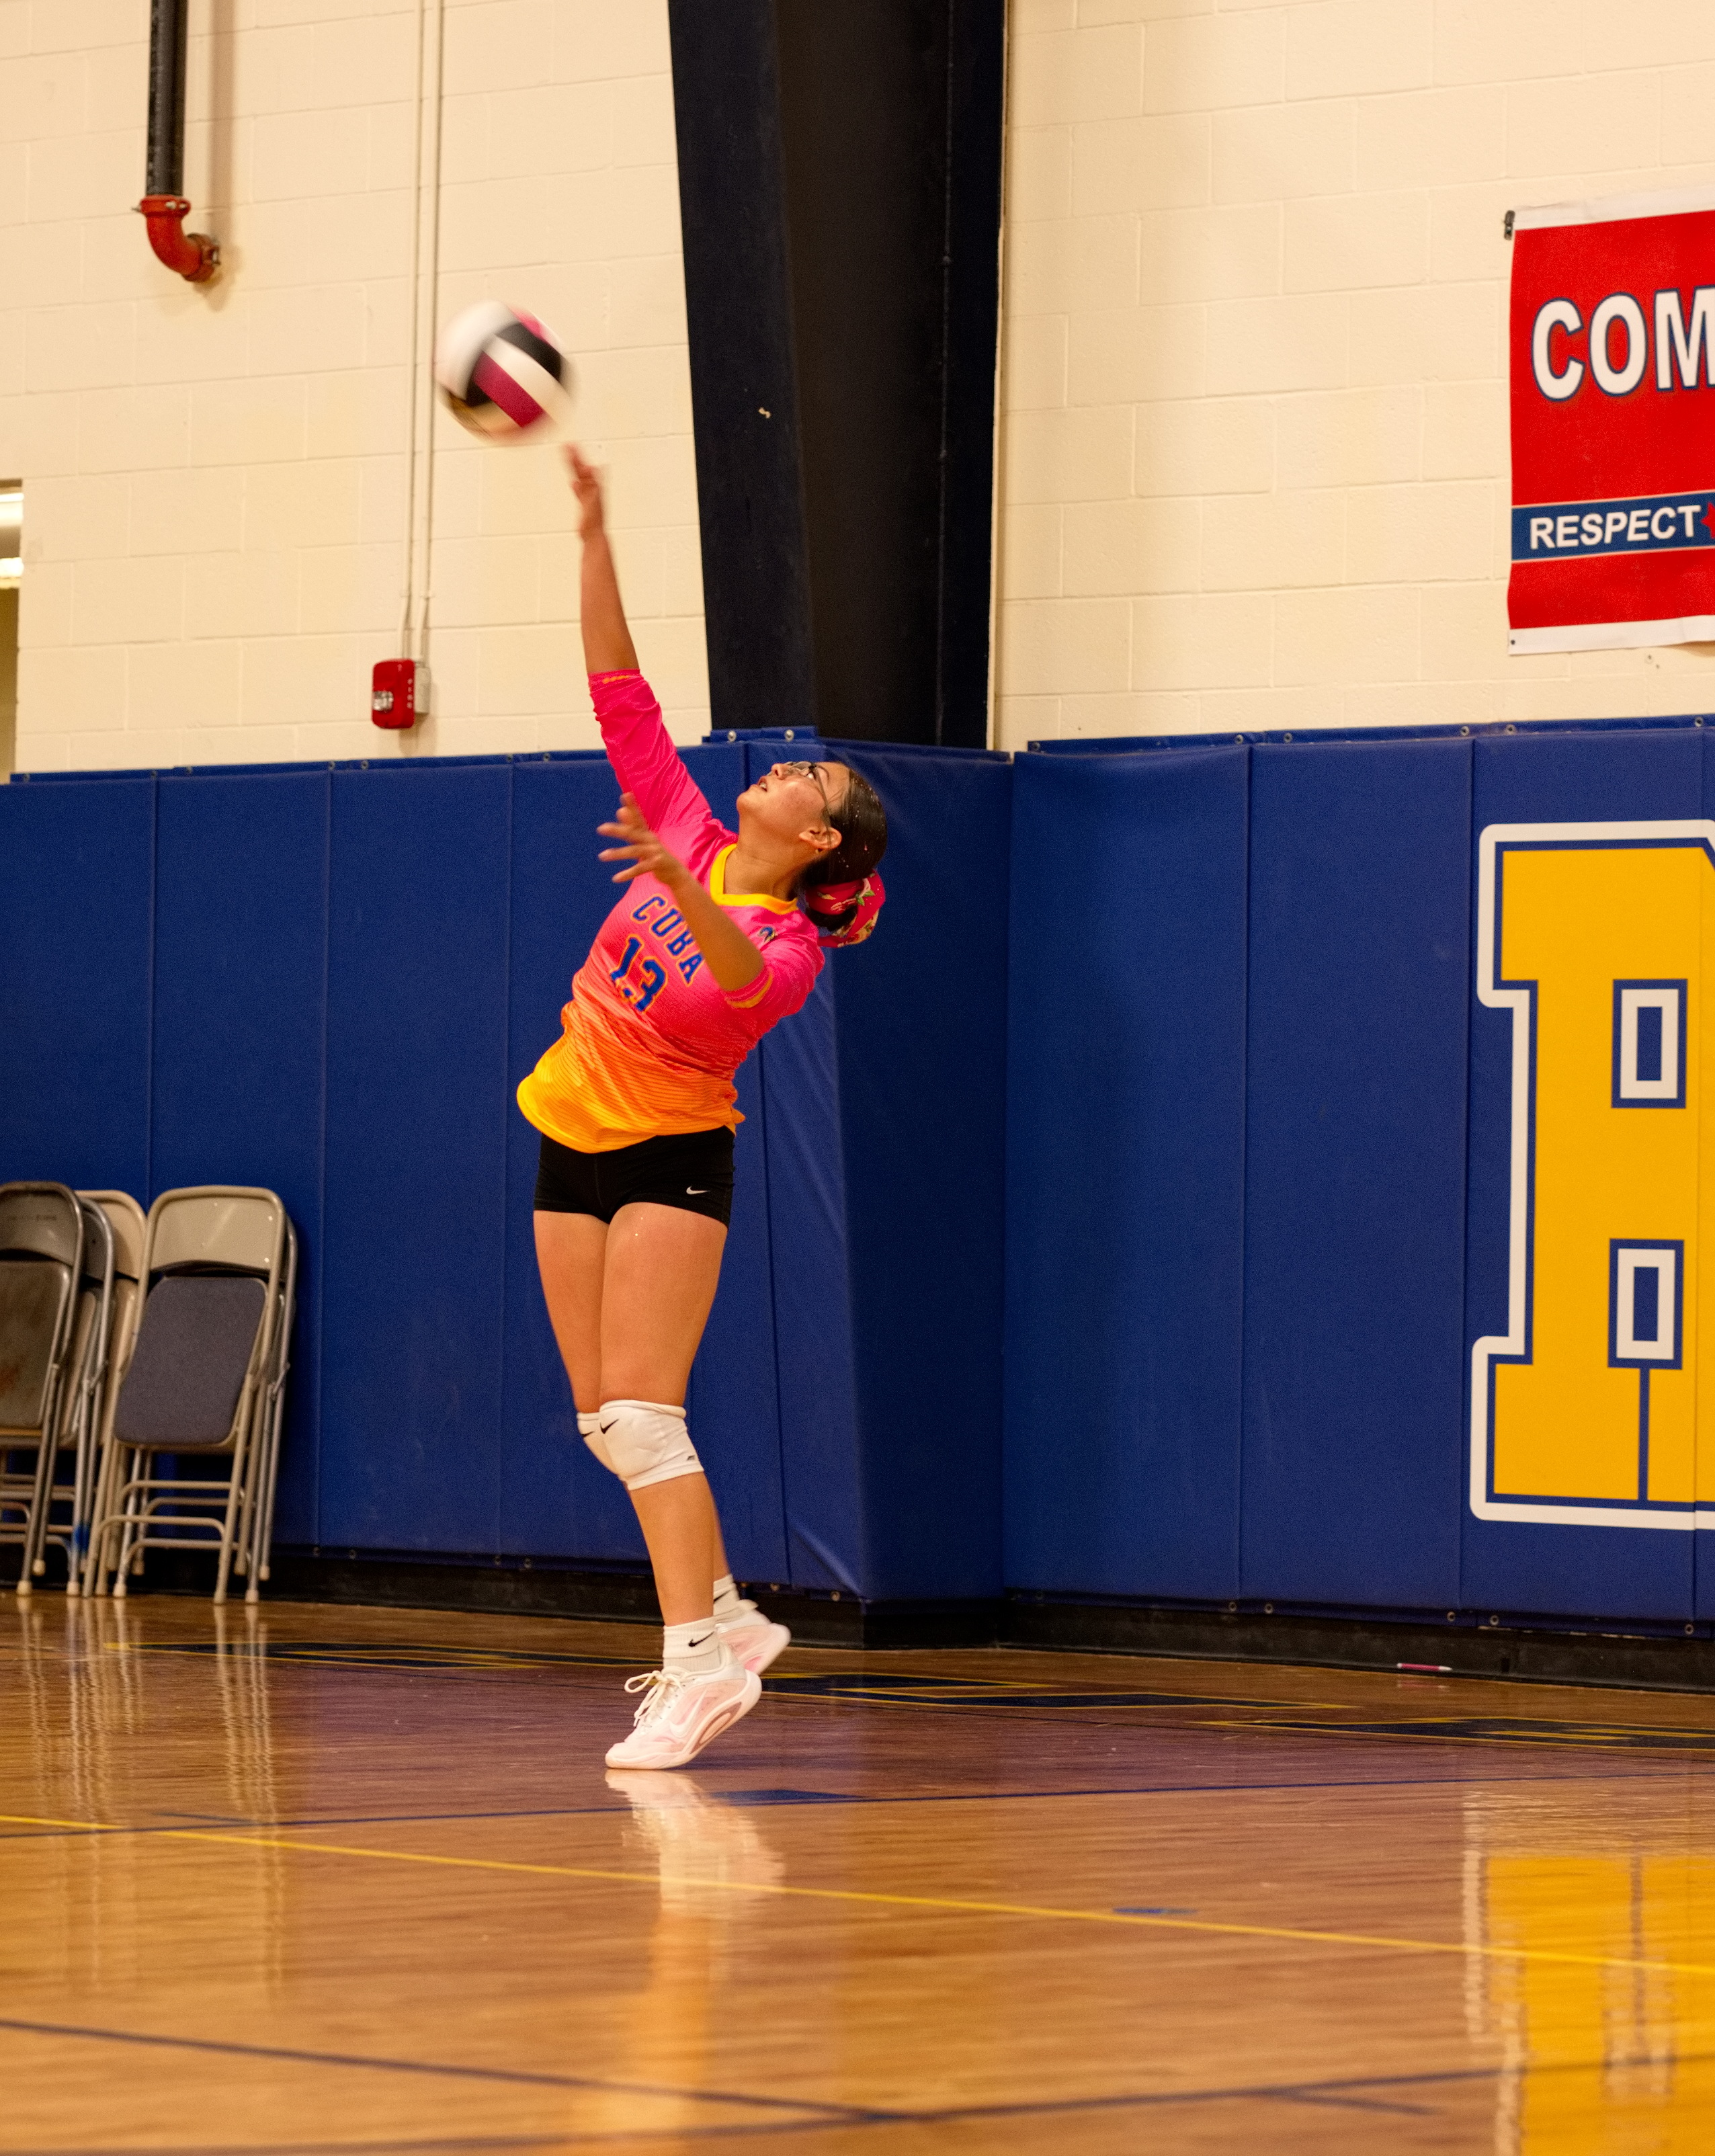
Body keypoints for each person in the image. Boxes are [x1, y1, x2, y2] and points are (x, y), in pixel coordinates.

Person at [520, 449, 886, 1770]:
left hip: (673, 1157)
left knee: (643, 1413)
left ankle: (697, 1665)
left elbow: (731, 975)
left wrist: (681, 879)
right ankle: (725, 1612)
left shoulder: (782, 945)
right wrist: (594, 537)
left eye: (817, 783)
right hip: (574, 1122)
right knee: (598, 1415)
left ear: (821, 841)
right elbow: (622, 692)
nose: (791, 770)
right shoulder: (696, 825)